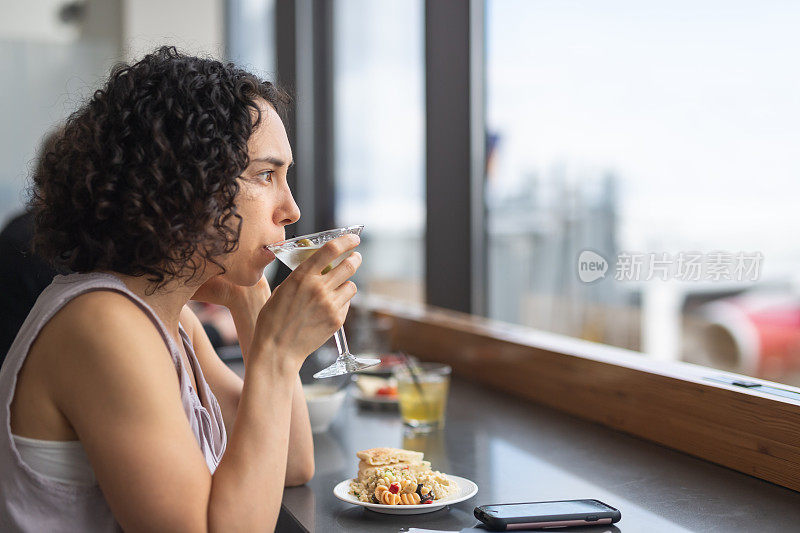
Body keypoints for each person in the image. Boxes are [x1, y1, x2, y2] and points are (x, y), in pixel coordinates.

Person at [0, 46, 361, 531]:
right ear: (188, 184)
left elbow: (292, 464)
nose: (291, 210)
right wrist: (276, 354)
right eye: (266, 175)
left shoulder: (168, 320)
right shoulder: (104, 325)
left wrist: (250, 294)